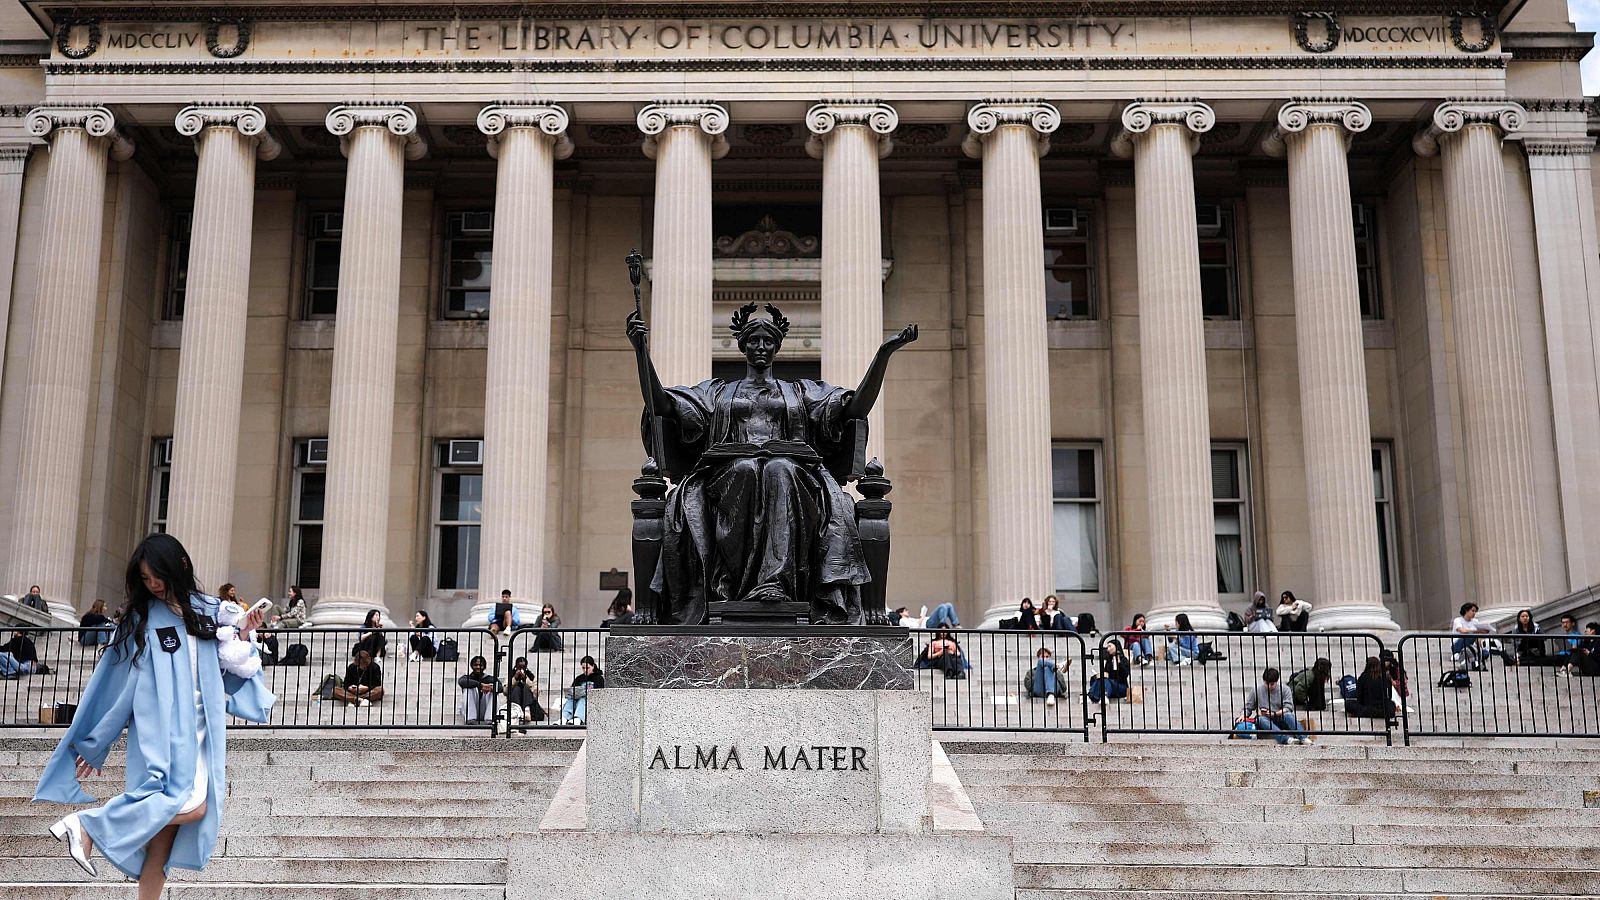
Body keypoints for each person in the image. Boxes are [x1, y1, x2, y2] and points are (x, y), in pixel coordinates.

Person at [627, 302, 917, 625]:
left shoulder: (800, 393)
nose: (761, 347)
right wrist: (641, 353)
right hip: (727, 474)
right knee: (746, 469)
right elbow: (663, 403)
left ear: (777, 348)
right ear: (742, 346)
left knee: (779, 469)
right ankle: (730, 586)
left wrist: (883, 356)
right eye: (754, 341)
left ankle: (773, 584)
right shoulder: (718, 393)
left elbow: (854, 408)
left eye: (768, 342)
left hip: (793, 475)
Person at [32, 532, 274, 895]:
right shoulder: (141, 620)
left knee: (165, 838)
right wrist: (96, 741)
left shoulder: (211, 611)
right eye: (145, 578)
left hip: (201, 727)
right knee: (191, 807)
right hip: (163, 729)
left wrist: (243, 635)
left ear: (178, 566)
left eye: (156, 575)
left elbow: (230, 672)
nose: (153, 584)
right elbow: (115, 688)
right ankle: (89, 826)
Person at [1243, 667, 1305, 744]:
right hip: (1265, 720)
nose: (1269, 686)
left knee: (1288, 715)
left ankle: (1303, 738)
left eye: (1272, 684)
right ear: (1264, 681)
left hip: (1280, 717)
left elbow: (1288, 707)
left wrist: (1275, 714)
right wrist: (1243, 715)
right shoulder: (1256, 690)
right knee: (1261, 719)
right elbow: (1248, 707)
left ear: (1276, 681)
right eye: (1267, 684)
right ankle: (1286, 739)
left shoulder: (1285, 689)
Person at [503, 656, 546, 728]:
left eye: (523, 667)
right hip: (514, 701)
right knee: (517, 688)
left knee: (525, 687)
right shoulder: (510, 675)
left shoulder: (531, 676)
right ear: (516, 666)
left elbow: (536, 694)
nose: (521, 669)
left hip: (529, 702)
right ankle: (517, 711)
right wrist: (515, 679)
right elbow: (505, 691)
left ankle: (526, 710)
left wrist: (526, 680)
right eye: (519, 667)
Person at [562, 655, 604, 725]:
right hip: (577, 701)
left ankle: (578, 718)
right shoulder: (579, 678)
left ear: (593, 666)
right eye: (583, 668)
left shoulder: (599, 678)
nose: (585, 670)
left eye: (587, 668)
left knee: (583, 699)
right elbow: (573, 689)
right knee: (570, 700)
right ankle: (564, 717)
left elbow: (600, 693)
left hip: (590, 702)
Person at [457, 655, 500, 724]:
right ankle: (470, 719)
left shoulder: (490, 678)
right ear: (472, 666)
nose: (478, 667)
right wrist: (480, 685)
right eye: (475, 665)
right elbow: (461, 682)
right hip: (471, 709)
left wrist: (491, 688)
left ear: (484, 667)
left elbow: (500, 687)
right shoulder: (467, 678)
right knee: (469, 689)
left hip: (485, 709)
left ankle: (490, 719)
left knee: (493, 688)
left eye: (480, 665)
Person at [1451, 603, 1494, 668]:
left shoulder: (1475, 621)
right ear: (1466, 610)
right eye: (1472, 611)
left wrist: (1480, 647)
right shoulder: (1458, 620)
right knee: (1471, 636)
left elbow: (1477, 637)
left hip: (1470, 646)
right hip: (1458, 644)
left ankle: (1465, 655)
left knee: (1485, 653)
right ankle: (1460, 654)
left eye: (1475, 611)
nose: (1474, 613)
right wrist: (1478, 631)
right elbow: (1462, 631)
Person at [1090, 638, 1131, 704]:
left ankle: (1101, 696)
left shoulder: (1124, 660)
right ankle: (1095, 695)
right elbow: (1106, 674)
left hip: (1121, 687)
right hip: (1109, 686)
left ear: (1116, 647)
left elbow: (1125, 675)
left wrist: (1120, 664)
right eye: (1107, 647)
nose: (1108, 649)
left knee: (1106, 681)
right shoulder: (1109, 661)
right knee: (1099, 680)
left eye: (1110, 646)